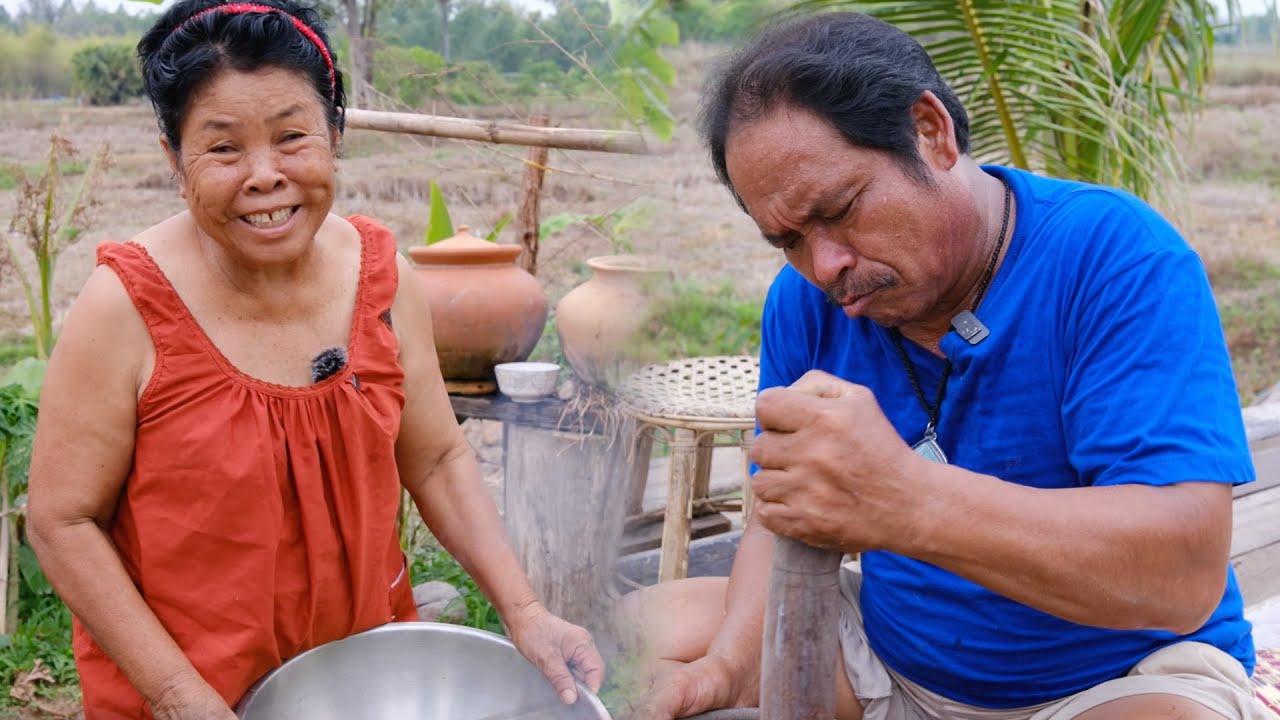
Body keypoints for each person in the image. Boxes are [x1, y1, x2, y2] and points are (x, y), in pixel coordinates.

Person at [615, 12, 1269, 720]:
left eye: (840, 209)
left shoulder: (1114, 258)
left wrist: (907, 499)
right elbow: (780, 517)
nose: (825, 265)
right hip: (891, 662)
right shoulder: (806, 303)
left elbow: (1182, 573)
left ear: (931, 132)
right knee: (626, 629)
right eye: (788, 241)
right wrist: (730, 667)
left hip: (1115, 682)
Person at [24, 1, 604, 717]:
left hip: (362, 680)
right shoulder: (125, 309)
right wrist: (179, 697)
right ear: (175, 158)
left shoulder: (383, 279)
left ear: (335, 134)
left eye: (292, 136)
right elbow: (62, 522)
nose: (264, 175)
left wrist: (526, 611)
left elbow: (436, 459)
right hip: (182, 688)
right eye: (223, 148)